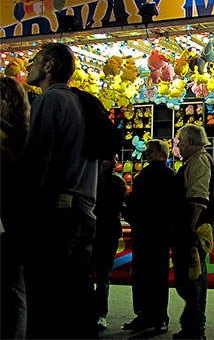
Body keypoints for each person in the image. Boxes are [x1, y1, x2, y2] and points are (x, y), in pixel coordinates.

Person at [23, 42, 99, 339]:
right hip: (83, 209)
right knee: (77, 292)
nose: (30, 65)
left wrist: (30, 208)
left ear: (50, 66)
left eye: (35, 60)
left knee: (47, 298)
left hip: (58, 213)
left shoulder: (50, 101)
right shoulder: (81, 102)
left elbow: (37, 161)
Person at [172, 125, 214, 340]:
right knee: (190, 280)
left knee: (193, 280)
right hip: (193, 227)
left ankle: (195, 329)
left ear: (191, 142)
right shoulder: (195, 161)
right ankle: (191, 326)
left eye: (180, 142)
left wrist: (189, 228)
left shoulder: (199, 161)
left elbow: (198, 198)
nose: (178, 146)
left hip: (196, 228)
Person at [123, 139, 176, 333]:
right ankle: (144, 315)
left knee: (156, 276)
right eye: (147, 151)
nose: (147, 154)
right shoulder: (143, 176)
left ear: (163, 155)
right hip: (146, 232)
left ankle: (159, 316)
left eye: (151, 151)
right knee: (141, 276)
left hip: (156, 233)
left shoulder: (169, 177)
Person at [0, 76, 30, 339]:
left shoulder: (4, 139)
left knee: (10, 292)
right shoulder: (25, 137)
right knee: (15, 292)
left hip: (7, 225)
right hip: (20, 224)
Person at [91, 155, 126, 331]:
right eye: (109, 158)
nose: (114, 162)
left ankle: (100, 314)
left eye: (116, 159)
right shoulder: (90, 178)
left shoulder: (117, 183)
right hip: (93, 231)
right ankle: (89, 311)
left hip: (106, 232)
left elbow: (111, 207)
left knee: (103, 275)